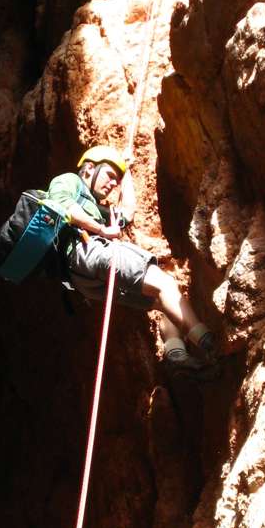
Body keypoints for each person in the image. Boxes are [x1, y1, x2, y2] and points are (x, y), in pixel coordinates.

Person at [42, 145, 217, 375]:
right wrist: (101, 230)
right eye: (109, 175)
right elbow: (61, 205)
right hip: (87, 252)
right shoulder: (70, 181)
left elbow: (127, 212)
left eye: (116, 181)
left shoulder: (95, 207)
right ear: (89, 169)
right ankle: (211, 345)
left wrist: (126, 173)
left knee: (162, 299)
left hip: (84, 281)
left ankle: (176, 355)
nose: (112, 184)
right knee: (164, 283)